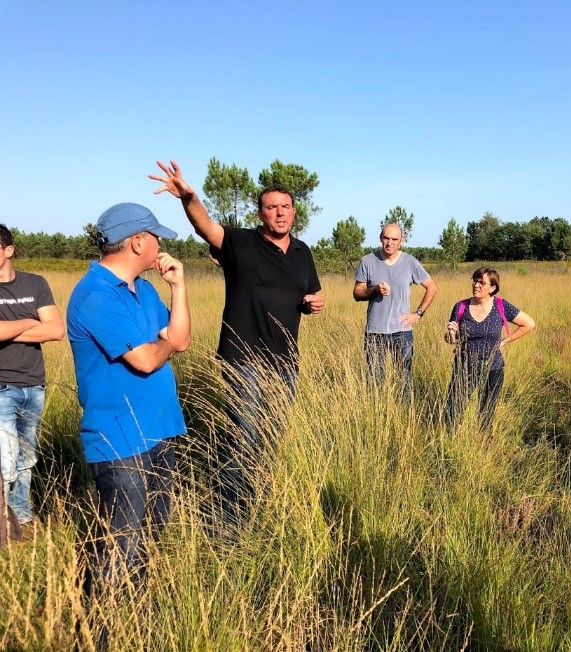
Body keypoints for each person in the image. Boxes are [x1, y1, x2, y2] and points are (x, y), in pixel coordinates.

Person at [149, 160, 323, 523]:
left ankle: (259, 506)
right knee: (241, 439)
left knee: (272, 439)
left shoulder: (303, 251)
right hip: (243, 360)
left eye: (286, 206)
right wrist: (188, 197)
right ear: (260, 213)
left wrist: (311, 305)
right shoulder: (241, 242)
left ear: (294, 211)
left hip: (286, 362)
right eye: (272, 206)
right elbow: (205, 226)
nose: (280, 212)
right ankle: (230, 517)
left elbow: (308, 296)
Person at [67, 203, 189, 582]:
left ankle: (136, 624)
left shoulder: (146, 290)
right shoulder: (96, 295)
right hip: (120, 442)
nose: (160, 246)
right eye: (155, 238)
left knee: (152, 538)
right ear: (137, 242)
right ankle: (101, 633)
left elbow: (179, 340)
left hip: (159, 430)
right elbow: (147, 360)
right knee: (122, 550)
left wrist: (179, 287)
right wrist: (163, 343)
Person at [0, 224, 65, 536]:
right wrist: (28, 320)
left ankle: (22, 521)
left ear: (8, 250)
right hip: (2, 387)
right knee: (6, 461)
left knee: (27, 458)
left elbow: (56, 330)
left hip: (34, 385)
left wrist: (10, 327)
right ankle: (4, 524)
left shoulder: (35, 284)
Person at [444, 267, 535, 430]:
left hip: (493, 368)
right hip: (464, 366)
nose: (476, 285)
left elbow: (529, 324)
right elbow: (452, 340)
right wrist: (451, 334)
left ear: (492, 288)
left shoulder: (501, 306)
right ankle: (451, 441)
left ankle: (483, 444)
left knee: (486, 411)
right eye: (475, 281)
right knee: (453, 409)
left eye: (482, 282)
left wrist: (505, 341)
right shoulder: (461, 307)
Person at [353, 223, 437, 395]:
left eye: (394, 239)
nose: (389, 243)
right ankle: (376, 416)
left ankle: (404, 416)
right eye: (386, 238)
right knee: (374, 381)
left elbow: (431, 287)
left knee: (403, 379)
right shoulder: (368, 261)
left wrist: (418, 313)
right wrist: (374, 290)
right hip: (375, 332)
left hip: (402, 331)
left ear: (401, 241)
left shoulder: (410, 262)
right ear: (380, 238)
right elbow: (357, 293)